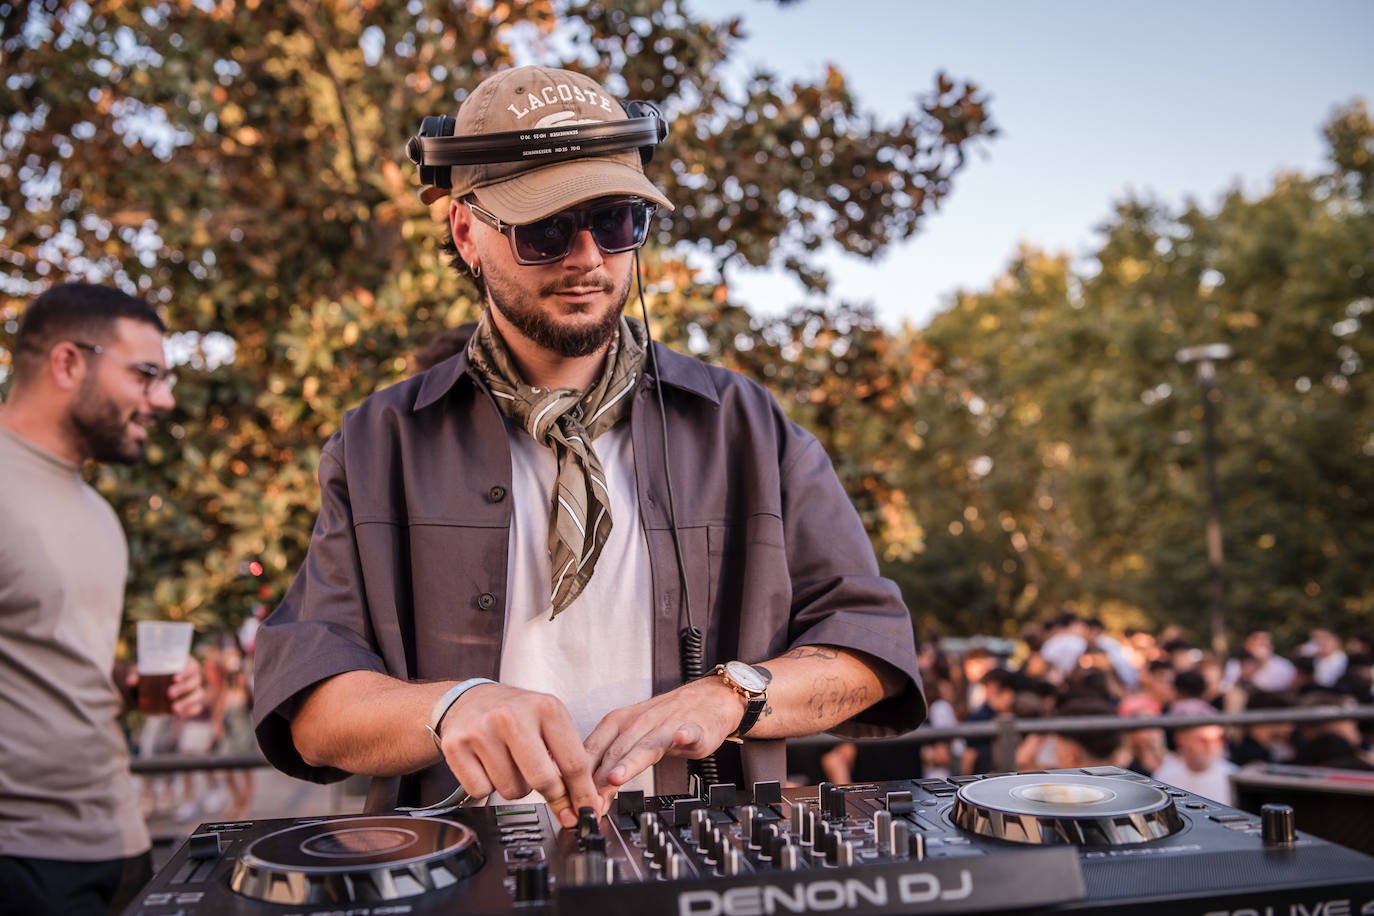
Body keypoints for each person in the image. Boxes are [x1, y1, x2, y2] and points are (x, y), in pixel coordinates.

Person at [251, 65, 924, 828]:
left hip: (699, 862)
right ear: (467, 232)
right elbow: (309, 704)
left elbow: (873, 650)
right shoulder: (380, 442)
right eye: (544, 229)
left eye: (614, 221)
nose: (587, 258)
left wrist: (731, 693)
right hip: (460, 862)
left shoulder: (745, 424)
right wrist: (446, 707)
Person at [0, 282, 204, 916]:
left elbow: (49, 661)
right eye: (146, 375)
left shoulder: (98, 512)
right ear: (67, 362)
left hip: (121, 845)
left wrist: (130, 683)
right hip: (21, 862)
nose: (163, 400)